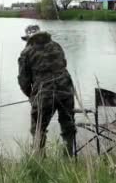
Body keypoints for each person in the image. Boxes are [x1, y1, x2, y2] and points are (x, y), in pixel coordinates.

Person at [17, 25, 76, 156]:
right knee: (68, 126)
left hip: (44, 94)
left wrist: (31, 97)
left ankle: (40, 161)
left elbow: (23, 81)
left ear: (28, 38)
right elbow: (64, 64)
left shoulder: (26, 53)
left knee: (38, 128)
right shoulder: (56, 46)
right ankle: (69, 157)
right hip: (66, 89)